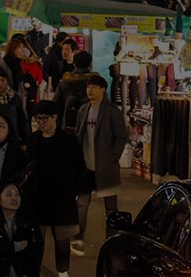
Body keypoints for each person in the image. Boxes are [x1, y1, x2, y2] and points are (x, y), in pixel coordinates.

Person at [26, 101, 84, 276]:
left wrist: (73, 192)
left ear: (55, 118)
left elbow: (80, 168)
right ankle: (34, 270)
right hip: (38, 199)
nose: (41, 122)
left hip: (62, 199)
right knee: (37, 240)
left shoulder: (69, 140)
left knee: (62, 240)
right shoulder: (33, 139)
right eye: (38, 118)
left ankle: (63, 271)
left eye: (44, 118)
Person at [72, 75, 128, 257]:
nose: (90, 90)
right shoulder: (83, 110)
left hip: (106, 166)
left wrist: (113, 157)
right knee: (81, 203)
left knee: (110, 207)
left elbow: (121, 136)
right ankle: (78, 237)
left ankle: (111, 241)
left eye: (94, 87)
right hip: (85, 166)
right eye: (88, 87)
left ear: (103, 89)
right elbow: (78, 135)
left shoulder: (112, 111)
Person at [0, 180, 44, 276]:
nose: (14, 198)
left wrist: (6, 251)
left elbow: (36, 246)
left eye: (17, 194)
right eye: (9, 195)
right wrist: (16, 246)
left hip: (24, 270)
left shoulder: (29, 218)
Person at [52, 50, 95, 134]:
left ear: (74, 64)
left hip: (68, 124)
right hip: (91, 124)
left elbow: (56, 105)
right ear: (90, 64)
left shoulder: (64, 82)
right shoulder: (96, 82)